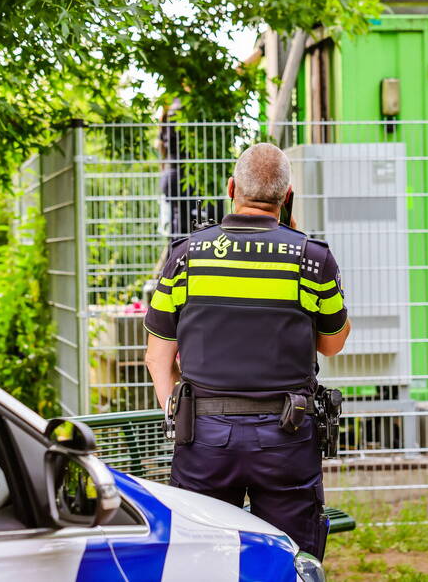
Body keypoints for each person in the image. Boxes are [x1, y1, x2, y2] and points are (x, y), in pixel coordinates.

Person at [143, 143, 351, 559]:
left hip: (203, 438)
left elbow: (157, 357)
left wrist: (178, 418)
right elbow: (332, 342)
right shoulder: (311, 260)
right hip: (287, 438)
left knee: (201, 559)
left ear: (231, 188)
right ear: (287, 197)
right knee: (289, 558)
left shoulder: (186, 257)